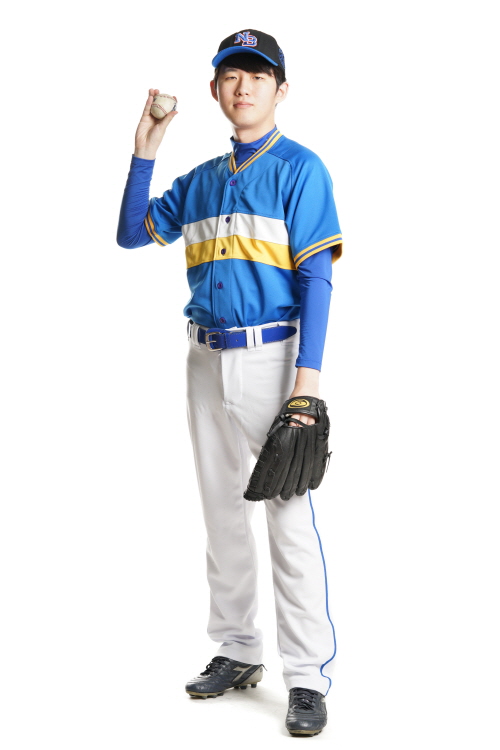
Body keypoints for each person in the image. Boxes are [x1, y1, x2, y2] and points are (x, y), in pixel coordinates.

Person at [117, 28, 342, 737]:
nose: (243, 86)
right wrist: (146, 149)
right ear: (214, 89)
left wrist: (307, 386)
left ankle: (306, 677)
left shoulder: (302, 169)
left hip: (273, 360)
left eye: (258, 75)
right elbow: (131, 233)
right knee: (221, 513)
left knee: (287, 518)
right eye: (231, 76)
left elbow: (317, 279)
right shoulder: (201, 180)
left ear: (281, 89)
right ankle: (239, 649)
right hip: (204, 360)